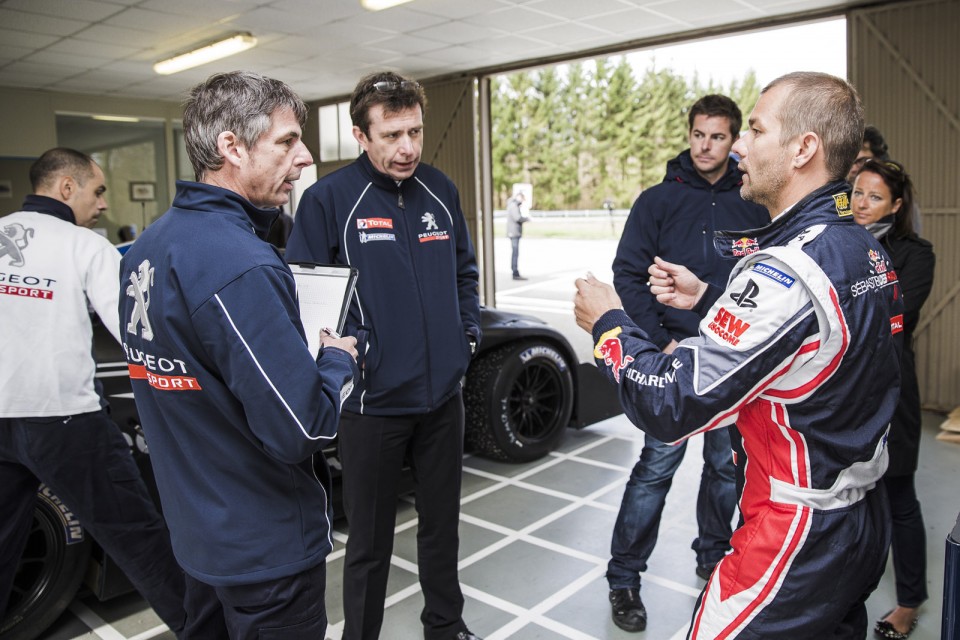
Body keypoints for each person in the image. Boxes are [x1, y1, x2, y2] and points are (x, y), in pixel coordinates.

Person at [573, 72, 903, 637]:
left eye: (753, 129)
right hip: (859, 519)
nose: (739, 146)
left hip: (795, 532)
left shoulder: (791, 270)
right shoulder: (860, 247)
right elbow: (802, 348)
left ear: (803, 149)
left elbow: (674, 403)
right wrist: (707, 301)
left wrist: (610, 327)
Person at [119, 71, 359, 639]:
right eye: (286, 141)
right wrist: (338, 361)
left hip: (198, 537)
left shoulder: (148, 247)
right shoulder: (240, 264)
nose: (303, 159)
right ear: (231, 146)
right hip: (263, 550)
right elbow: (304, 427)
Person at [286, 70, 482, 640]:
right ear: (360, 136)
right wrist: (356, 357)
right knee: (369, 544)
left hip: (442, 398)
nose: (407, 148)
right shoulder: (328, 201)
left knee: (441, 528)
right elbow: (311, 299)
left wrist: (464, 339)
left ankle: (446, 627)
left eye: (415, 132)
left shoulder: (440, 191)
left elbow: (465, 274)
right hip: (371, 407)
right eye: (392, 135)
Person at [0, 148, 188, 634]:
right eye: (98, 190)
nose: (102, 203)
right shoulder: (85, 246)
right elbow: (135, 333)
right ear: (66, 187)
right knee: (140, 542)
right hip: (64, 422)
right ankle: (205, 630)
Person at [606, 94, 768, 632]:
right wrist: (656, 344)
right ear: (689, 134)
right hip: (671, 360)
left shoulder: (753, 202)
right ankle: (624, 578)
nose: (706, 145)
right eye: (699, 134)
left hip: (728, 362)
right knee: (655, 471)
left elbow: (761, 282)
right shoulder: (657, 201)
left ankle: (712, 559)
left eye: (718, 136)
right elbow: (628, 275)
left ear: (733, 139)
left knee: (725, 468)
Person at [852, 159, 935, 640]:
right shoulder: (839, 242)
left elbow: (892, 308)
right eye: (857, 193)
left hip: (891, 390)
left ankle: (908, 603)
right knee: (850, 499)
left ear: (897, 205)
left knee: (899, 498)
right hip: (845, 393)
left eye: (875, 197)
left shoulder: (914, 253)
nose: (862, 205)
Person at [506, 190, 528, 280]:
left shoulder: (513, 205)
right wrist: (526, 219)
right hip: (514, 233)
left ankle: (515, 271)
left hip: (513, 232)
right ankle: (515, 272)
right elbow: (517, 218)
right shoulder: (514, 206)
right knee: (515, 253)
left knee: (515, 253)